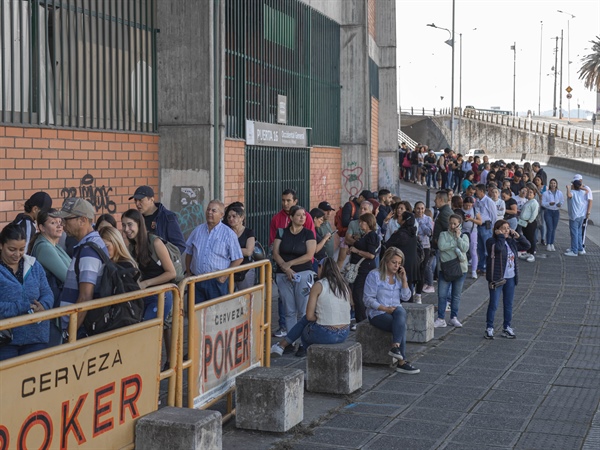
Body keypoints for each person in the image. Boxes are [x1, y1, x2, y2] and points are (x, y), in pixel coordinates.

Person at [270, 257, 352, 357]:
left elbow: (309, 316)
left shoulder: (319, 285)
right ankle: (282, 345)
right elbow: (350, 305)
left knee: (305, 323)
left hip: (326, 334)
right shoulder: (344, 285)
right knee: (309, 320)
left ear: (321, 267)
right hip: (344, 333)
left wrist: (319, 316)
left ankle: (283, 346)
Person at [51, 198, 108, 335]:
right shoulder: (90, 244)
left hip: (82, 328)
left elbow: (85, 297)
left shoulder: (89, 251)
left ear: (82, 220)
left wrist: (71, 333)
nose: (63, 225)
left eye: (66, 220)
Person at [0, 224, 54, 360]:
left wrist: (44, 305)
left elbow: (47, 292)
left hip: (36, 337)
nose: (17, 254)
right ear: (1, 245)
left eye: (22, 249)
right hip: (6, 340)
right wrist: (22, 307)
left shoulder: (34, 265)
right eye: (12, 249)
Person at [363, 247, 420, 374]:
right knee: (401, 325)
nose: (396, 266)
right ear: (386, 261)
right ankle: (402, 362)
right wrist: (385, 309)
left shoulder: (398, 277)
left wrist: (404, 280)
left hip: (395, 312)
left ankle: (396, 348)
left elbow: (406, 297)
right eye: (394, 262)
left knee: (400, 312)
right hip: (378, 313)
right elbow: (367, 299)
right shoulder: (375, 275)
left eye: (399, 263)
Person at [272, 205, 316, 356]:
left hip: (303, 272)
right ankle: (290, 341)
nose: (302, 218)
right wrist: (285, 269)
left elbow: (309, 254)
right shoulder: (281, 232)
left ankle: (304, 342)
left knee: (303, 310)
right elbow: (275, 252)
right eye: (298, 215)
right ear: (291, 218)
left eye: (304, 215)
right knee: (288, 309)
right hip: (283, 274)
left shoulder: (308, 233)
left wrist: (289, 264)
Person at [185, 200, 244, 302]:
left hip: (216, 281)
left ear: (221, 215)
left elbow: (238, 258)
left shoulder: (228, 234)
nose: (210, 213)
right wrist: (189, 272)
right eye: (208, 209)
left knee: (215, 313)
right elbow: (189, 251)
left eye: (214, 210)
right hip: (197, 280)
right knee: (196, 314)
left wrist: (224, 276)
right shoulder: (197, 230)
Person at [29, 208, 72, 346]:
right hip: (49, 308)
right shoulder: (43, 247)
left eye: (60, 222)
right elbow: (68, 276)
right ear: (41, 227)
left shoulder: (55, 246)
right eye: (53, 223)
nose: (59, 225)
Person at [122, 209, 175, 320]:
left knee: (148, 330)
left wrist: (146, 283)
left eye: (130, 224)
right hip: (144, 296)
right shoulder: (131, 247)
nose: (126, 229)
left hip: (161, 295)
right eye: (123, 225)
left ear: (139, 224)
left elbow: (171, 273)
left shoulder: (155, 242)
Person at [485, 220, 530, 339]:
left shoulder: (511, 242)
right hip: (497, 278)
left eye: (508, 228)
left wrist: (519, 237)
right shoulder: (491, 242)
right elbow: (498, 249)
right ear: (497, 229)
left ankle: (507, 327)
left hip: (511, 277)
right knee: (494, 304)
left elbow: (527, 246)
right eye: (503, 228)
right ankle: (489, 327)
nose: (506, 230)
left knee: (508, 304)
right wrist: (500, 236)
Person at [435, 214, 469, 328]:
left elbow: (464, 248)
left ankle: (453, 317)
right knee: (442, 294)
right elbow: (441, 246)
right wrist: (454, 243)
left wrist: (458, 238)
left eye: (455, 223)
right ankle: (440, 318)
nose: (452, 226)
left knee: (456, 295)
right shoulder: (443, 234)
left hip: (460, 269)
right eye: (450, 223)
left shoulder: (464, 236)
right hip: (446, 268)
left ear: (460, 224)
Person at [130, 185, 186, 254]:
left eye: (140, 200)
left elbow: (180, 246)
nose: (137, 204)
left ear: (151, 199)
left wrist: (164, 259)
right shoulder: (137, 219)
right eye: (135, 200)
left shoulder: (167, 217)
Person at [347, 213, 380, 323]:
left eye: (362, 222)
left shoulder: (372, 236)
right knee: (356, 292)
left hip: (365, 268)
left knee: (358, 293)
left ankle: (361, 320)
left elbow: (371, 255)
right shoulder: (365, 235)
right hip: (359, 268)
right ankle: (360, 318)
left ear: (368, 223)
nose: (360, 224)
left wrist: (357, 251)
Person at [384, 212, 421, 302]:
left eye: (400, 217)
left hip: (402, 264)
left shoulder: (401, 234)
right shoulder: (412, 232)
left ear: (404, 221)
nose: (398, 218)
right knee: (409, 287)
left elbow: (388, 245)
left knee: (402, 288)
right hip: (412, 264)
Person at [226, 206, 256, 291]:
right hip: (230, 268)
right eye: (229, 217)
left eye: (234, 216)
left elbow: (248, 251)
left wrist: (231, 250)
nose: (231, 219)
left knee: (246, 297)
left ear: (242, 218)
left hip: (245, 269)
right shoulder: (227, 233)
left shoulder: (249, 232)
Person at [474, 184, 497, 273]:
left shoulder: (488, 201)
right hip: (478, 226)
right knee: (480, 248)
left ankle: (489, 266)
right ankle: (481, 266)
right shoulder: (477, 201)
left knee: (487, 247)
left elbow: (493, 215)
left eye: (477, 190)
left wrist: (493, 226)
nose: (476, 192)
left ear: (482, 191)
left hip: (486, 226)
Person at [564, 176, 588, 257]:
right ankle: (580, 249)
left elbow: (569, 195)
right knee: (578, 233)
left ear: (573, 186)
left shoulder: (572, 193)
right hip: (581, 216)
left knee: (574, 233)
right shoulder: (582, 192)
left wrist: (568, 188)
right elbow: (587, 190)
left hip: (574, 217)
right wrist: (581, 187)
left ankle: (574, 251)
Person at [414, 201, 435, 293]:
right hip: (414, 245)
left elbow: (429, 232)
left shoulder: (428, 219)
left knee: (423, 267)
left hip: (425, 246)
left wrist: (421, 223)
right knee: (415, 267)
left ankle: (421, 287)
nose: (420, 211)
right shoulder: (412, 218)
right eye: (418, 208)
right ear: (414, 209)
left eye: (422, 208)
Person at [460, 197, 481, 279]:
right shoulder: (460, 210)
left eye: (470, 206)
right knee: (462, 250)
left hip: (472, 231)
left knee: (473, 250)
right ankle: (462, 268)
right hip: (462, 231)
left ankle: (473, 270)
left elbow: (480, 221)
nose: (468, 207)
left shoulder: (475, 210)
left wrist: (472, 219)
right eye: (466, 205)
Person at [517, 187, 539, 263]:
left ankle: (531, 253)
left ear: (534, 194)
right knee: (526, 237)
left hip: (530, 223)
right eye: (528, 192)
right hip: (523, 221)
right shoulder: (528, 201)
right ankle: (527, 251)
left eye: (531, 193)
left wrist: (529, 221)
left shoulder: (534, 202)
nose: (529, 194)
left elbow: (534, 213)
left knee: (531, 238)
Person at [542, 179, 564, 252]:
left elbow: (562, 201)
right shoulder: (546, 193)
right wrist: (549, 204)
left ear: (556, 184)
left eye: (554, 183)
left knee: (554, 228)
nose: (553, 185)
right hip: (548, 211)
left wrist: (560, 204)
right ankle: (548, 243)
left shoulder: (559, 193)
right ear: (549, 184)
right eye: (551, 183)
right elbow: (543, 203)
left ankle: (552, 243)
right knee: (550, 228)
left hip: (556, 211)